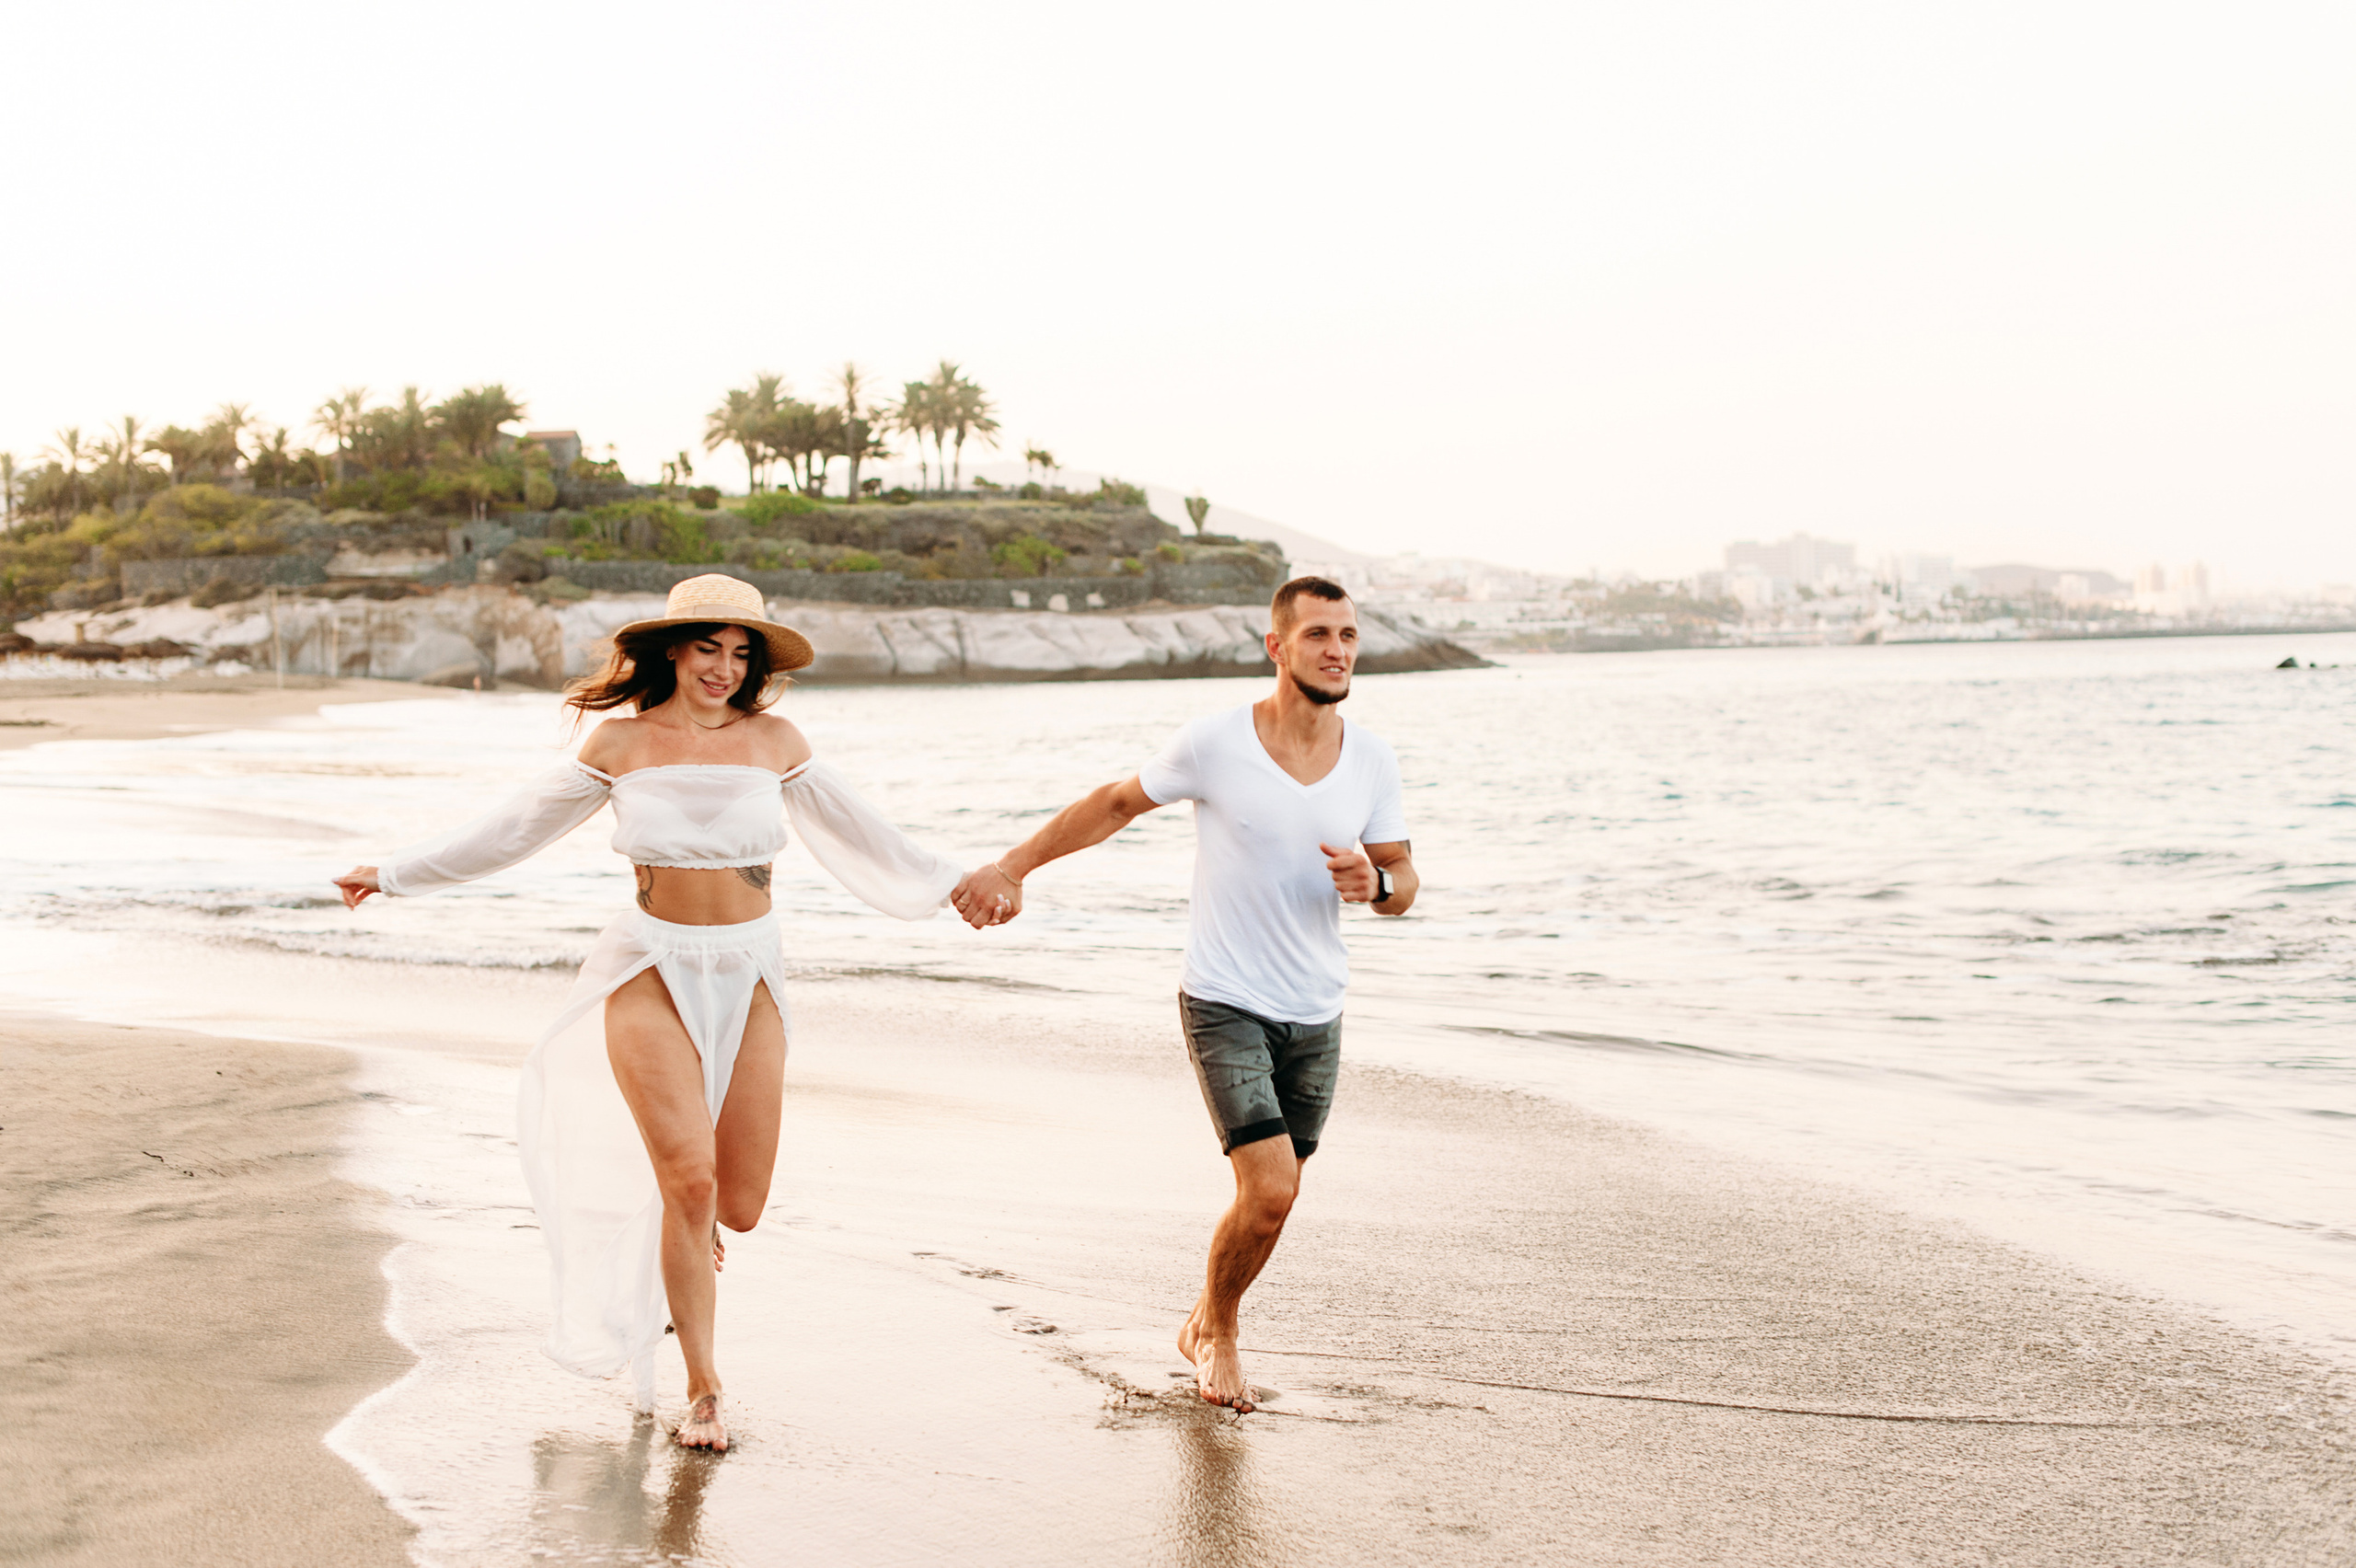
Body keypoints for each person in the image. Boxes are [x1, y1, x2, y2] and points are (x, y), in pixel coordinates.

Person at [333, 575, 979, 1452]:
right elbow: (512, 828)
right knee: (691, 1181)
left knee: (737, 1206)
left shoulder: (777, 740)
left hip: (750, 971)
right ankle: (704, 1389)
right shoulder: (621, 742)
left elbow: (870, 836)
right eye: (709, 648)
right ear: (672, 650)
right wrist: (392, 873)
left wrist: (958, 885)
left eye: (741, 653)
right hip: (647, 963)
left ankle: (688, 1220)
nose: (724, 668)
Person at [951, 575, 1418, 1413]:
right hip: (1224, 997)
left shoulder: (1372, 759)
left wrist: (1376, 883)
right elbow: (1114, 804)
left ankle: (1202, 1318)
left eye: (1348, 635)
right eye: (1318, 634)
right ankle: (1221, 1334)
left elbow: (1404, 879)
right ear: (1276, 646)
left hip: (1318, 1009)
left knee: (1274, 1199)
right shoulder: (1216, 742)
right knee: (1270, 1189)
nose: (1338, 650)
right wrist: (1012, 867)